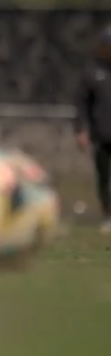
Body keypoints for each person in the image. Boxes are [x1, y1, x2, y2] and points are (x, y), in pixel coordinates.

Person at [74, 25, 111, 233]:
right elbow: (81, 103)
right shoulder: (92, 72)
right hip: (102, 135)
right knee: (104, 177)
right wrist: (81, 130)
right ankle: (108, 215)